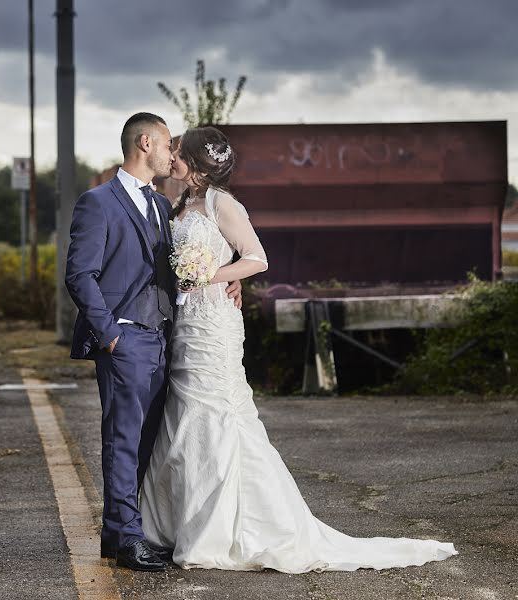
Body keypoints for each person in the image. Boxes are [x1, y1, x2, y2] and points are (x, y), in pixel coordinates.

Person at [140, 126, 458, 572]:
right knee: (184, 415)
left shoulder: (221, 203)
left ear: (194, 161)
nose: (171, 156)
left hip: (214, 323)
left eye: (177, 150)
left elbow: (257, 257)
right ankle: (177, 522)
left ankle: (224, 530)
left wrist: (210, 276)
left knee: (216, 413)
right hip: (187, 324)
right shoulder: (178, 205)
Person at [65, 113, 243, 572]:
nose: (172, 155)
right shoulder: (98, 202)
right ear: (146, 143)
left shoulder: (165, 207)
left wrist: (226, 280)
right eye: (168, 146)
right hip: (125, 340)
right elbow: (80, 275)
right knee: (122, 440)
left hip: (165, 338)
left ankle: (119, 532)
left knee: (146, 441)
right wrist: (110, 335)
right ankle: (127, 539)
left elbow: (184, 266)